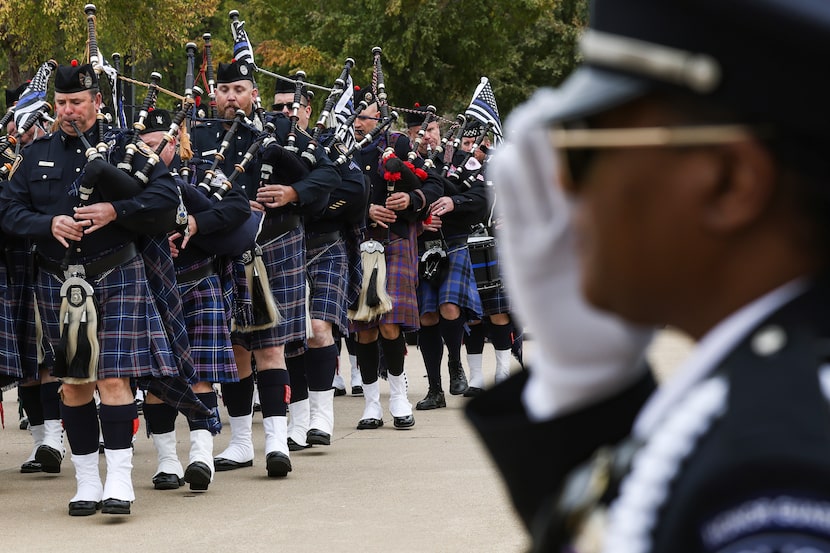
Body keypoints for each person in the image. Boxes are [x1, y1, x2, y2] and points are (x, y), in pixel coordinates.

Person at [467, 0, 830, 551]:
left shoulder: (772, 472)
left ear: (730, 181)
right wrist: (587, 386)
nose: (564, 186)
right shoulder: (775, 406)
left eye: (584, 149)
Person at [1, 62, 184, 516]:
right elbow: (7, 211)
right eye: (61, 103)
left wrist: (114, 212)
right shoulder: (35, 154)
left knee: (114, 377)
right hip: (57, 280)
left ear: (97, 102)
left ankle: (119, 480)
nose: (68, 111)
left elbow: (165, 202)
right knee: (74, 382)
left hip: (116, 272)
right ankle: (85, 481)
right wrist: (48, 223)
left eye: (77, 102)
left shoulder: (127, 150)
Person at [190, 60, 339, 477]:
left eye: (239, 89)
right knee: (236, 347)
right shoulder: (200, 133)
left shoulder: (282, 130)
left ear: (253, 93)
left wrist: (293, 191)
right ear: (214, 93)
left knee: (272, 347)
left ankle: (276, 441)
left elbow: (328, 174)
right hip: (221, 249)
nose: (231, 97)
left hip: (276, 242)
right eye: (224, 90)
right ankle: (240, 443)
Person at [138, 108, 249, 491]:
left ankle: (201, 456)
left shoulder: (200, 173)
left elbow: (237, 208)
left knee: (201, 373)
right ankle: (167, 461)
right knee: (157, 379)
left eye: (159, 145)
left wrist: (195, 224)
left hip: (199, 280)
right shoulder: (131, 178)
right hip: (154, 287)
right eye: (145, 146)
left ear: (175, 141)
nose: (152, 153)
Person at [274, 74, 366, 449]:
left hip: (325, 243)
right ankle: (298, 420)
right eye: (278, 106)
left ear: (308, 110)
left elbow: (356, 191)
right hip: (284, 247)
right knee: (291, 336)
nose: (285, 112)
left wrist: (307, 201)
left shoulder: (330, 143)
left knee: (317, 328)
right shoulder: (268, 147)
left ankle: (321, 415)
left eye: (291, 106)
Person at [350, 87, 443, 430]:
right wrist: (365, 211)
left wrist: (411, 198)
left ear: (381, 116)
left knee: (389, 324)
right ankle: (372, 403)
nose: (359, 122)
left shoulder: (401, 146)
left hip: (397, 239)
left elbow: (434, 185)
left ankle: (399, 394)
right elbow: (334, 194)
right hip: (362, 240)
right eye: (356, 116)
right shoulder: (348, 152)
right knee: (365, 329)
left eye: (365, 115)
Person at [404, 107, 487, 410]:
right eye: (420, 132)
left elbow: (481, 200)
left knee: (449, 307)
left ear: (441, 132)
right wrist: (420, 222)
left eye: (432, 130)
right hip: (423, 245)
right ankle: (435, 389)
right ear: (412, 135)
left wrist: (454, 200)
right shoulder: (406, 163)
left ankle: (455, 363)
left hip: (453, 243)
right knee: (427, 316)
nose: (427, 136)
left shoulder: (463, 162)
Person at [2, 81, 62, 474]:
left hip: (53, 260)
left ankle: (54, 437)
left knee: (51, 355)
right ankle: (39, 440)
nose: (19, 133)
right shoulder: (8, 160)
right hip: (15, 260)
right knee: (27, 353)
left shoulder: (54, 155)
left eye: (28, 125)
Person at [457, 123, 517, 397]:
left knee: (498, 311)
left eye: (477, 145)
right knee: (472, 315)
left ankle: (503, 372)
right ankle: (477, 376)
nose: (472, 150)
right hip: (466, 244)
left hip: (498, 245)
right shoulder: (458, 170)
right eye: (467, 144)